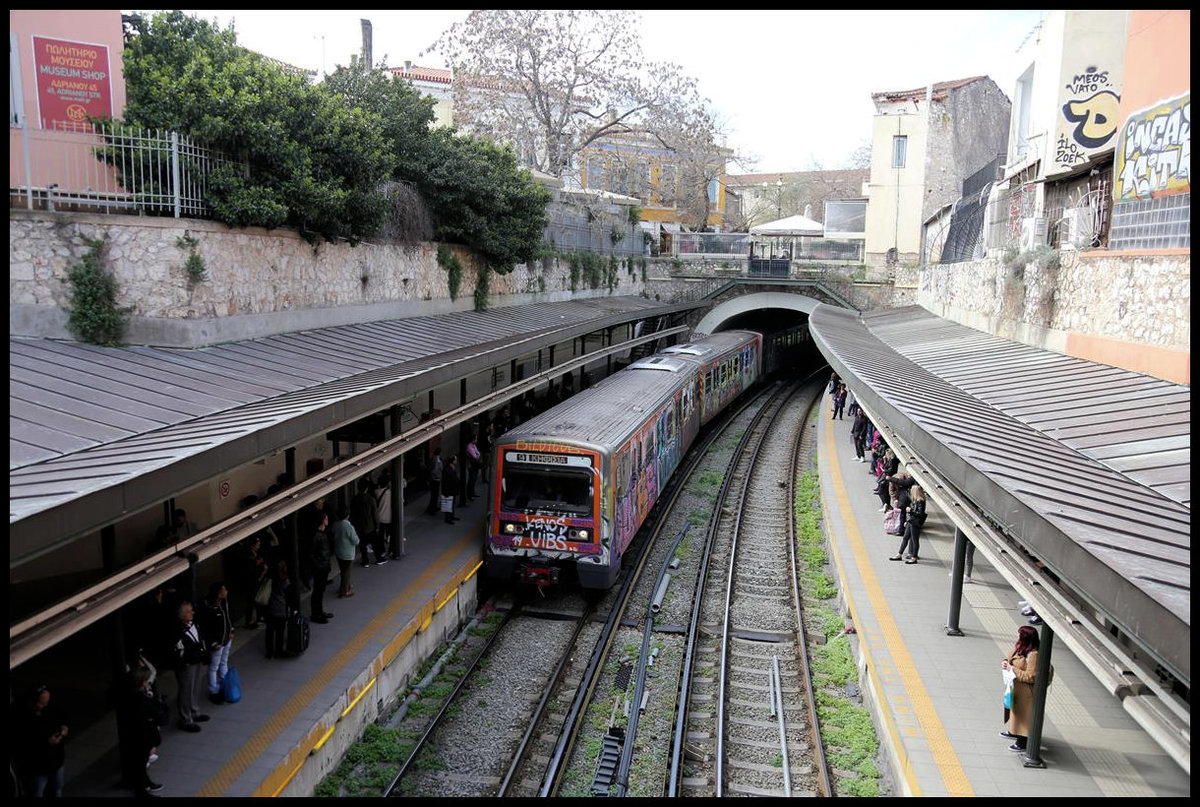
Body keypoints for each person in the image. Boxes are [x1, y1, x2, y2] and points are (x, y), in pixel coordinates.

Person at [13, 684, 70, 797]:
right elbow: (23, 744)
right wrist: (46, 742)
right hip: (37, 767)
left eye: (47, 701)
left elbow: (62, 717)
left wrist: (64, 728)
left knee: (56, 790)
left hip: (55, 761)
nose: (45, 705)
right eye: (42, 703)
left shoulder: (50, 709)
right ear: (32, 702)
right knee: (37, 792)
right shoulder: (22, 718)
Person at [115, 666, 163, 796]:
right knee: (140, 764)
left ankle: (145, 782)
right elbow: (147, 721)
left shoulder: (131, 697)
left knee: (139, 764)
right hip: (141, 739)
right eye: (146, 680)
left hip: (136, 737)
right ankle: (141, 789)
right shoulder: (140, 700)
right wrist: (151, 744)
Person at [1001, 625, 1041, 751]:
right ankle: (1014, 731)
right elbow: (1009, 658)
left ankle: (1023, 741)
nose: (1017, 638)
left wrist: (1012, 669)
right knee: (1015, 712)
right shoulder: (1019, 647)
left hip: (1026, 692)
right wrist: (1005, 662)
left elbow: (1031, 676)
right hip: (1015, 687)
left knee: (1024, 716)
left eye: (1019, 636)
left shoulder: (1033, 655)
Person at [171, 601, 209, 732]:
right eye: (188, 611)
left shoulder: (195, 624)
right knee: (186, 690)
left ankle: (194, 711)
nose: (192, 613)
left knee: (195, 686)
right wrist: (183, 661)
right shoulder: (177, 629)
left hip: (196, 660)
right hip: (186, 664)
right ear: (180, 615)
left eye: (191, 610)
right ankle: (186, 719)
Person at [197, 581, 234, 705]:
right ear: (219, 594)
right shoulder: (209, 608)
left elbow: (228, 617)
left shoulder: (223, 603)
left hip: (226, 640)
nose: (226, 592)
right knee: (214, 667)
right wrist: (212, 643)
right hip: (217, 643)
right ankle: (213, 690)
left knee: (223, 662)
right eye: (224, 590)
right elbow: (204, 629)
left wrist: (231, 630)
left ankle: (224, 685)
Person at [264, 560, 300, 659]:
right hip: (281, 610)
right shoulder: (286, 582)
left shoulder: (270, 580)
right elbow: (289, 598)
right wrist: (294, 609)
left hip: (270, 608)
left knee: (269, 631)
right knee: (280, 632)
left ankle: (269, 652)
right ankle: (278, 651)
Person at [350, 478, 385, 567]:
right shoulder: (370, 499)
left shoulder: (354, 499)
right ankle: (379, 558)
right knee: (375, 543)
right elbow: (375, 514)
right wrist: (377, 525)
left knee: (362, 544)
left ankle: (365, 561)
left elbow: (353, 514)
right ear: (367, 488)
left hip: (359, 526)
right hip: (370, 526)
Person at [309, 510, 335, 624]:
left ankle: (319, 611)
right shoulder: (317, 536)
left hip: (323, 565)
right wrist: (319, 565)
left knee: (321, 590)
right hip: (320, 567)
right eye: (326, 518)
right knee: (318, 591)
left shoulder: (323, 533)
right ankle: (316, 614)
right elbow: (311, 554)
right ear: (322, 520)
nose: (327, 520)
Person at [236, 535, 268, 629]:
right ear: (252, 545)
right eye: (257, 544)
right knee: (250, 601)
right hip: (250, 582)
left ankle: (259, 618)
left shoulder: (257, 553)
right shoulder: (248, 556)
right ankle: (249, 621)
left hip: (258, 580)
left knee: (258, 600)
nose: (259, 546)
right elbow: (251, 569)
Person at [891, 485, 927, 563]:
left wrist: (910, 510)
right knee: (905, 537)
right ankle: (899, 554)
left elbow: (919, 514)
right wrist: (907, 521)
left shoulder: (920, 501)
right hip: (911, 521)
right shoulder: (915, 500)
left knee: (914, 540)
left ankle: (914, 557)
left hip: (915, 523)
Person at [331, 506, 359, 599]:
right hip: (348, 553)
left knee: (343, 570)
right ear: (347, 515)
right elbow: (355, 541)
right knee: (347, 573)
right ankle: (344, 591)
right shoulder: (348, 527)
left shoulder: (335, 525)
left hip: (338, 552)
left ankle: (346, 586)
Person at [375, 472, 398, 561]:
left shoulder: (376, 492)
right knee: (392, 534)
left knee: (380, 536)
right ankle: (391, 550)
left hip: (380, 517)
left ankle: (382, 550)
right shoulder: (391, 492)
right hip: (390, 517)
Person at [424, 448, 443, 515]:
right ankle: (432, 508)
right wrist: (436, 476)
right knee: (435, 495)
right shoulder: (437, 459)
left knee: (434, 495)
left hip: (434, 479)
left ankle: (433, 507)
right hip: (435, 479)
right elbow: (435, 469)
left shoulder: (433, 458)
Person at [442, 455, 460, 524]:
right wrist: (445, 491)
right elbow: (445, 481)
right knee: (448, 504)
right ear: (452, 461)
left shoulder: (452, 468)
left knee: (452, 503)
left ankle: (452, 516)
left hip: (453, 489)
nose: (456, 461)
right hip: (449, 490)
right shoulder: (447, 469)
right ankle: (448, 518)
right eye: (455, 460)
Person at [466, 435, 482, 500]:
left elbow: (478, 453)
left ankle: (472, 493)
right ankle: (469, 494)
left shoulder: (474, 445)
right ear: (473, 439)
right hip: (472, 466)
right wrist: (477, 455)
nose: (476, 440)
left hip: (475, 465)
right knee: (471, 480)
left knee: (474, 479)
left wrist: (477, 455)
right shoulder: (469, 446)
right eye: (476, 439)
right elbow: (475, 456)